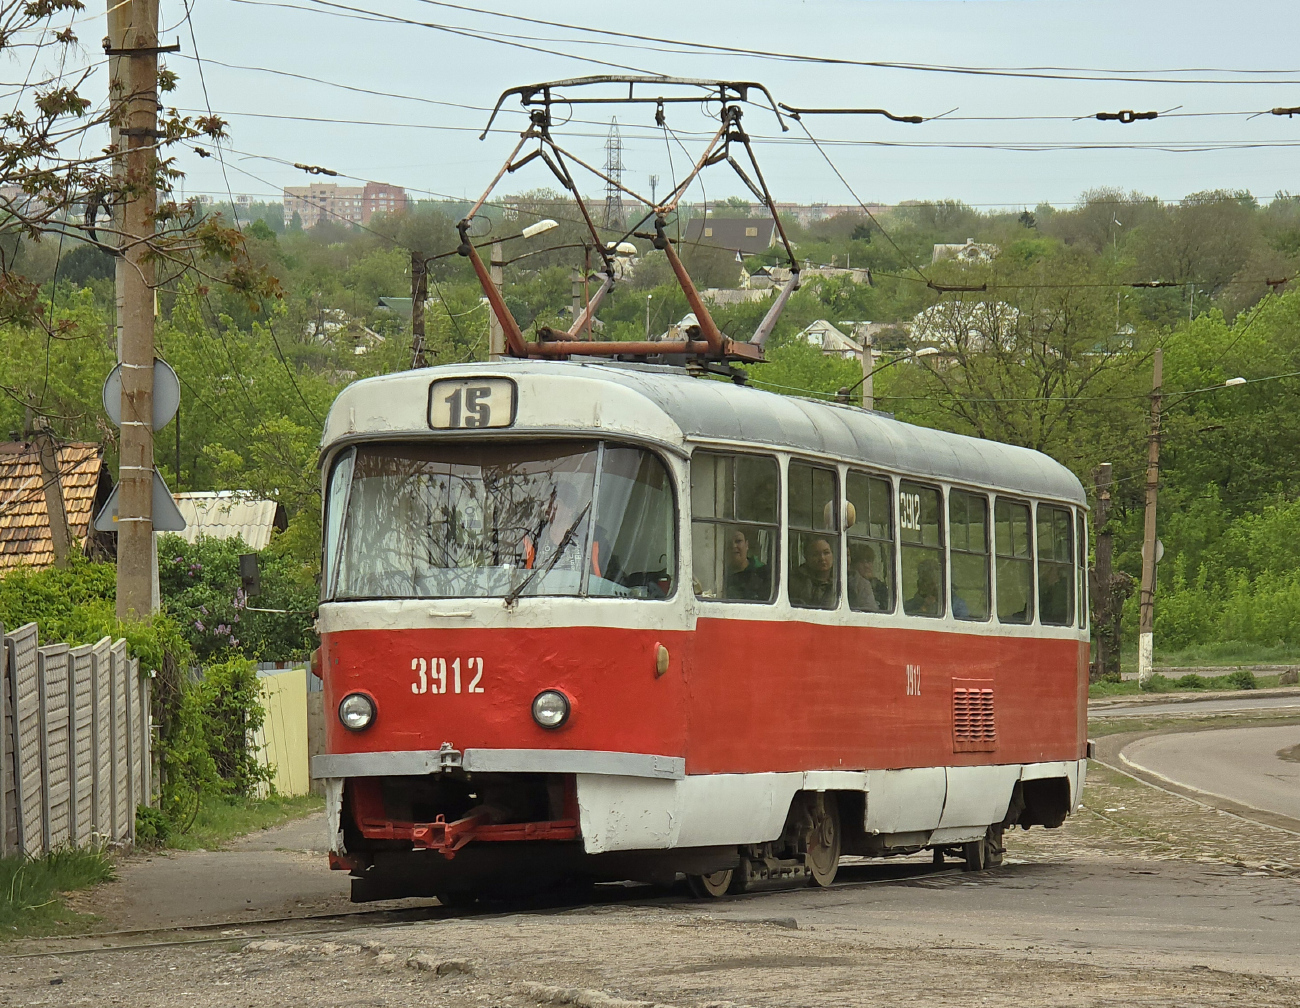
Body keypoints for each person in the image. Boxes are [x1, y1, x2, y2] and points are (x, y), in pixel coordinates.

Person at [789, 535, 837, 609]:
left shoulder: (847, 580)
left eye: (826, 553)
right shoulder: (794, 581)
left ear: (833, 554)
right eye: (815, 554)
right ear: (806, 557)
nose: (822, 558)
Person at [724, 527, 771, 601]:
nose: (733, 546)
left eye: (738, 541)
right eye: (729, 542)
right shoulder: (722, 575)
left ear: (747, 545)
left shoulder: (763, 573)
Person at [847, 543, 888, 612]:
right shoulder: (850, 585)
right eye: (862, 562)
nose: (866, 566)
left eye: (869, 561)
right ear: (853, 564)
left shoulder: (880, 587)